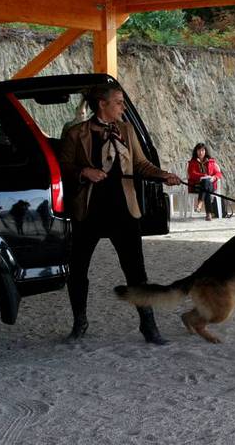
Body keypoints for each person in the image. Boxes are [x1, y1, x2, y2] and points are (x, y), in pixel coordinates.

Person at [59, 83, 181, 344]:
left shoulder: (126, 130)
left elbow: (140, 164)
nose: (123, 107)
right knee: (78, 269)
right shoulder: (76, 133)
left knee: (136, 271)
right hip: (88, 211)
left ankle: (148, 326)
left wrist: (163, 176)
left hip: (124, 210)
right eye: (118, 102)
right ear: (102, 104)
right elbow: (64, 168)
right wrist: (84, 172)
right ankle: (80, 322)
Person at [186, 142, 223, 221]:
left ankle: (199, 204)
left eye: (202, 150)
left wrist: (214, 177)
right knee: (206, 186)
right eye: (199, 150)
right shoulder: (192, 162)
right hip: (196, 186)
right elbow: (191, 174)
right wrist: (203, 176)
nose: (200, 152)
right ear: (196, 151)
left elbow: (219, 173)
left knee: (206, 183)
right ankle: (208, 214)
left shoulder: (211, 162)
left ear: (205, 151)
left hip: (210, 185)